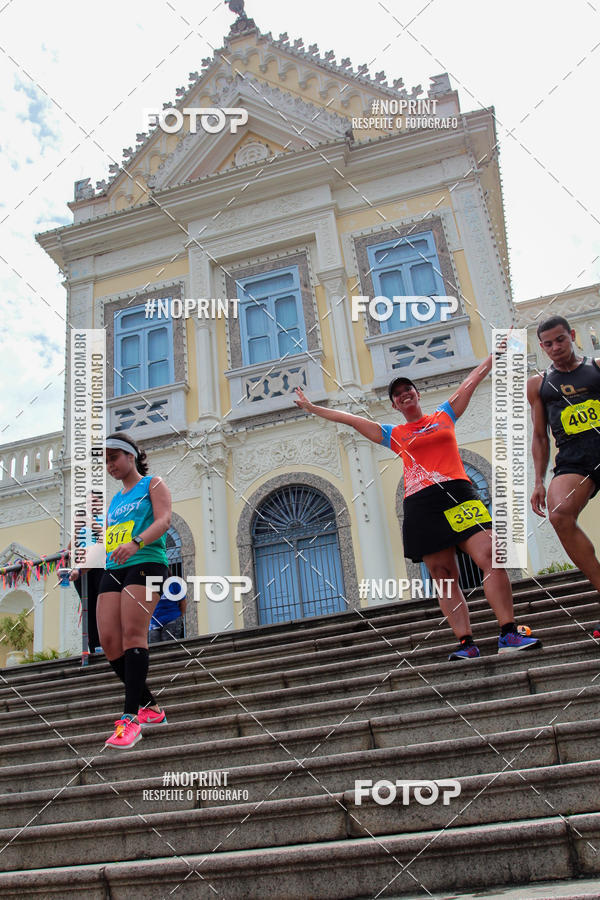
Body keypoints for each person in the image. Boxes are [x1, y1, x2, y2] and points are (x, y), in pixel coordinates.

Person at [294, 347, 542, 660]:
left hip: (458, 493)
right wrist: (313, 408)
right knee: (443, 575)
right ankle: (466, 643)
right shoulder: (394, 433)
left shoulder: (444, 415)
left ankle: (508, 632)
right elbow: (351, 419)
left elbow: (471, 381)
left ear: (416, 393)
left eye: (407, 389)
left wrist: (494, 357)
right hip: (421, 503)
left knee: (491, 554)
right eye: (397, 394)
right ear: (395, 405)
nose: (403, 395)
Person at [97, 433, 172, 749]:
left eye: (114, 457)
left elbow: (165, 520)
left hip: (148, 562)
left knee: (132, 636)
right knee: (109, 642)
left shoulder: (153, 484)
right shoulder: (115, 500)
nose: (110, 465)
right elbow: (110, 539)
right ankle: (151, 706)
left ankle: (130, 720)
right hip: (116, 568)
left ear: (131, 455)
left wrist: (137, 542)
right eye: (106, 461)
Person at [527, 315, 600, 637]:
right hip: (574, 461)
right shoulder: (539, 384)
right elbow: (540, 436)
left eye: (561, 339)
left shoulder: (596, 368)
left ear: (572, 335)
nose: (556, 347)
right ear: (541, 347)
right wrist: (539, 481)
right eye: (548, 343)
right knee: (559, 514)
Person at [149, 578, 187, 643]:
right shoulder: (149, 584)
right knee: (154, 649)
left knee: (168, 646)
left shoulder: (173, 583)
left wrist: (180, 617)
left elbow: (183, 601)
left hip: (172, 620)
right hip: (153, 623)